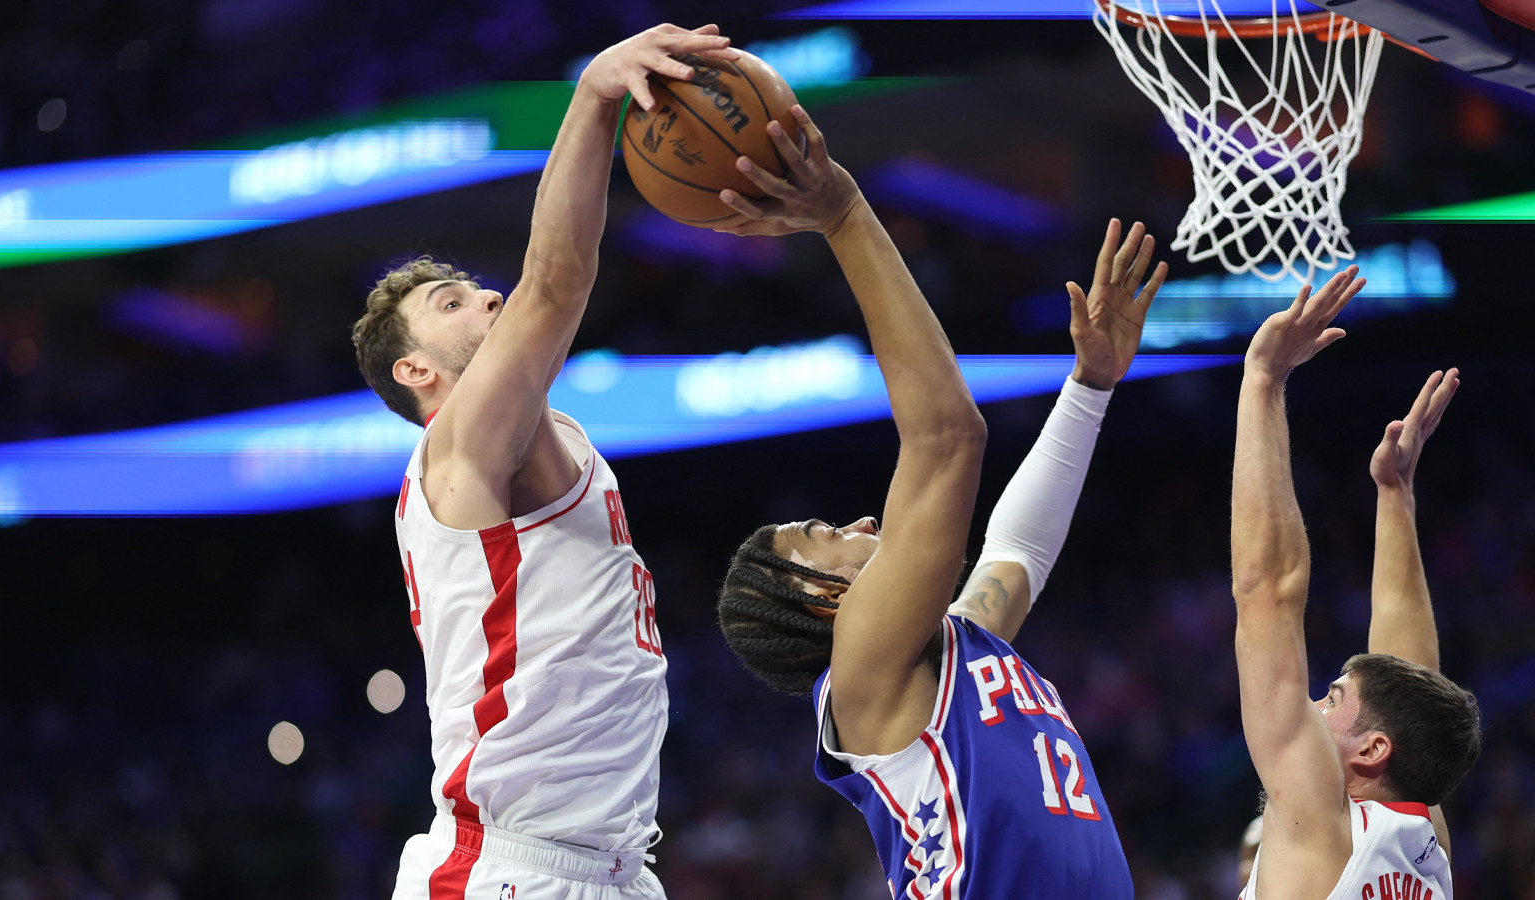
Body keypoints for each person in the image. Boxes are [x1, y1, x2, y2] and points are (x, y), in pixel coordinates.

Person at [711, 104, 1166, 897]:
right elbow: (948, 436)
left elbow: (1018, 553)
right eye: (826, 534)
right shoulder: (861, 669)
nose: (860, 522)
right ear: (819, 598)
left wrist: (1090, 386)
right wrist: (845, 215)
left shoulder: (944, 655)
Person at [348, 24, 740, 900]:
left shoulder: (535, 431)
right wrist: (595, 94)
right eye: (452, 304)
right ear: (416, 372)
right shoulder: (457, 446)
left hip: (607, 865)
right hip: (511, 869)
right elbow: (555, 282)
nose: (489, 296)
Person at [1230, 269, 1482, 899]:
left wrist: (1263, 380)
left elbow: (1268, 591)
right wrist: (1395, 496)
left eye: (1332, 699)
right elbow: (1412, 675)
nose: (1312, 704)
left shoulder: (1321, 821)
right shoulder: (1424, 846)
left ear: (1371, 751)